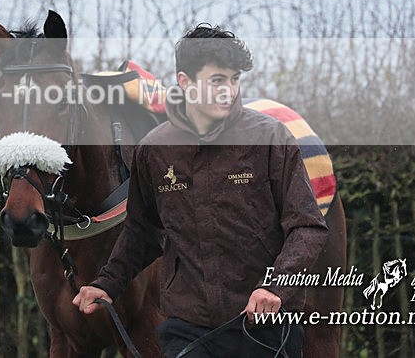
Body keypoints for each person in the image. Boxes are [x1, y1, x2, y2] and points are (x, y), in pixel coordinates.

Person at [72, 25, 329, 357]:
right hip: (189, 330)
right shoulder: (154, 150)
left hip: (267, 325)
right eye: (217, 81)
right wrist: (106, 283)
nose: (229, 91)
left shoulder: (271, 138)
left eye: (234, 80)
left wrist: (274, 286)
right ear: (185, 81)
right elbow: (142, 233)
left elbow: (306, 226)